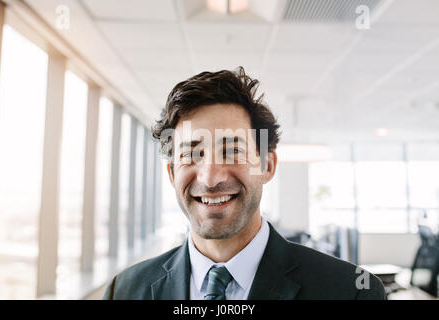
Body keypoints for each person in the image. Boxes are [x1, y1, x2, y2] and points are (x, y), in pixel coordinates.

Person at [103, 67, 386, 300]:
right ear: (171, 173)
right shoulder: (125, 291)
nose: (211, 178)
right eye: (191, 155)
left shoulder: (351, 293)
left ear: (268, 166)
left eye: (233, 151)